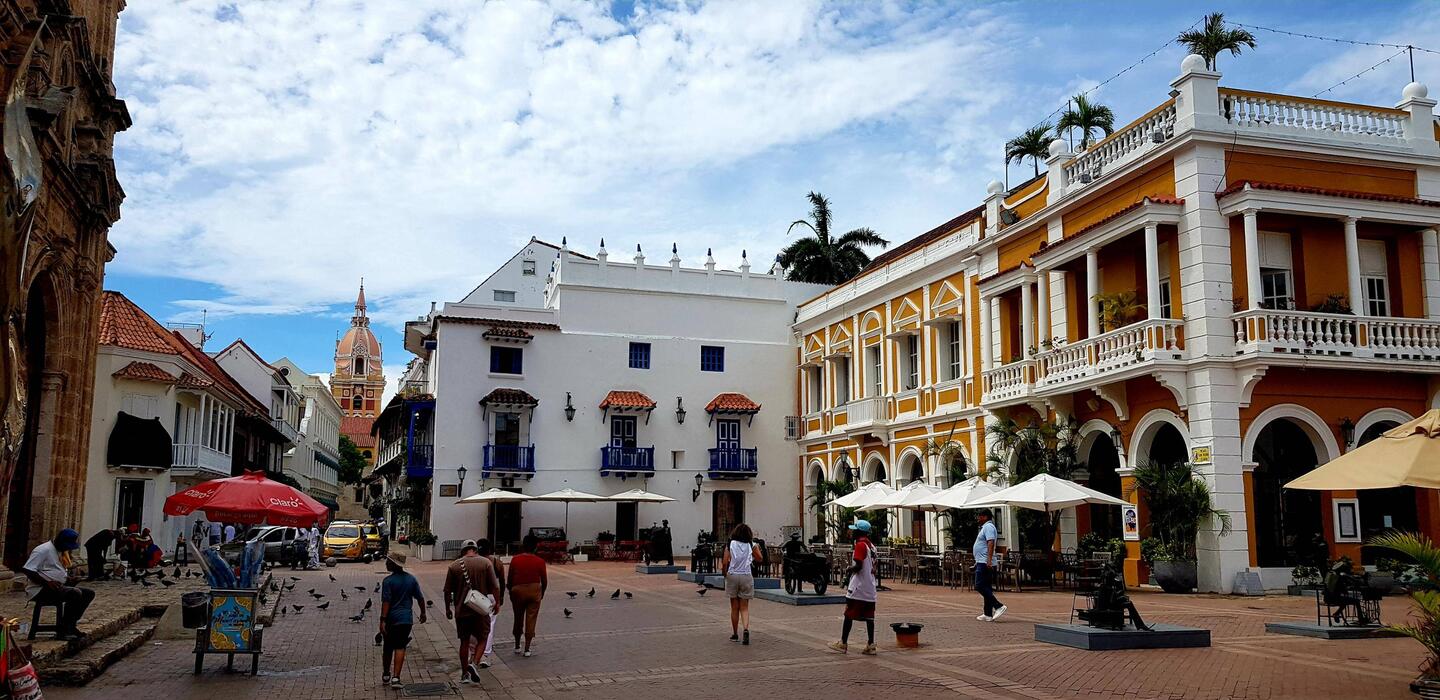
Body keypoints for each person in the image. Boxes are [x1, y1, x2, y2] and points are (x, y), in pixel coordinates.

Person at [443, 539, 501, 683]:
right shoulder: (486, 563)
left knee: (464, 641)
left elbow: (447, 590)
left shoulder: (454, 566)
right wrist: (497, 602)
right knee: (483, 637)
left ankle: (464, 675)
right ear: (475, 549)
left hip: (462, 610)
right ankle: (474, 663)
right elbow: (495, 586)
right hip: (480, 610)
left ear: (462, 551)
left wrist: (447, 608)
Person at [22, 529, 95, 641]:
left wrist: (68, 579)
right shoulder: (43, 550)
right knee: (74, 593)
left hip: (56, 587)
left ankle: (70, 625)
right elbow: (28, 569)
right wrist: (47, 583)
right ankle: (64, 629)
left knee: (88, 593)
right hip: (40, 589)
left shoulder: (59, 551)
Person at [829, 519, 878, 655]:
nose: (852, 532)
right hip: (870, 587)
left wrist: (849, 569)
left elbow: (859, 565)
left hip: (858, 587)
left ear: (859, 532)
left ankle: (843, 643)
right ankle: (871, 644)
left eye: (854, 530)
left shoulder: (860, 545)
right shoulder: (872, 547)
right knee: (869, 617)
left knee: (848, 614)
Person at [380, 551, 426, 690]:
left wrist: (382, 620)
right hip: (406, 619)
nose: (386, 563)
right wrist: (423, 612)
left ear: (393, 564)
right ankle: (396, 677)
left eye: (388, 561)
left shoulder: (388, 581)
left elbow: (386, 602)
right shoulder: (411, 579)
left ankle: (386, 674)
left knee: (388, 647)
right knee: (400, 646)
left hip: (391, 619)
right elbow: (420, 598)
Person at [506, 535, 547, 657]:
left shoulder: (515, 559)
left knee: (518, 617)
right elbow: (544, 581)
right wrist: (542, 593)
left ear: (523, 545)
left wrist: (511, 590)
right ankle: (527, 648)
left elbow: (510, 578)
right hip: (534, 591)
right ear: (535, 547)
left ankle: (517, 645)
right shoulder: (540, 561)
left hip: (518, 591)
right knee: (531, 618)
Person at [721, 523, 761, 645]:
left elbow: (724, 562)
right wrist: (752, 556)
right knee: (744, 607)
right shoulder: (751, 544)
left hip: (733, 575)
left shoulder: (730, 544)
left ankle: (735, 634)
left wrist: (725, 574)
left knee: (734, 607)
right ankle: (746, 629)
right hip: (746, 575)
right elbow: (760, 558)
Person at [475, 538, 505, 669]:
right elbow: (502, 582)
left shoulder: (475, 562)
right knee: (490, 625)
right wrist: (500, 598)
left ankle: (474, 652)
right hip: (492, 597)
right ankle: (485, 654)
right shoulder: (496, 562)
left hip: (477, 596)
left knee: (476, 624)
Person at [973, 510, 1006, 622]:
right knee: (986, 587)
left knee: (979, 585)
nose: (978, 519)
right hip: (981, 561)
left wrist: (988, 560)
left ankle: (998, 606)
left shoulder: (988, 527)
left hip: (985, 562)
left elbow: (990, 543)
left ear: (985, 517)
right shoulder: (985, 528)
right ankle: (988, 614)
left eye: (979, 516)